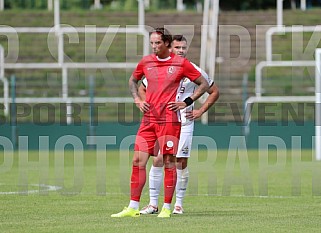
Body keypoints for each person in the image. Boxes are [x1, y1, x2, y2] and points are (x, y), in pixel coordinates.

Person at [111, 28, 210, 218]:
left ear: (166, 43)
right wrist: (138, 100)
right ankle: (133, 207)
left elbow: (204, 84)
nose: (154, 47)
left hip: (169, 120)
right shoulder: (146, 62)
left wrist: (187, 102)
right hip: (148, 120)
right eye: (152, 43)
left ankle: (166, 207)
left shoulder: (181, 64)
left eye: (157, 43)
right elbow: (133, 80)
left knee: (168, 162)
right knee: (137, 161)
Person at [139, 35, 219, 215]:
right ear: (170, 49)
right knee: (159, 158)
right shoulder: (162, 68)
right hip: (163, 120)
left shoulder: (194, 70)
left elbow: (214, 91)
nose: (181, 51)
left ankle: (179, 204)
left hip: (184, 121)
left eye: (184, 48)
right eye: (177, 48)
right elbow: (142, 86)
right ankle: (153, 204)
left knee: (180, 162)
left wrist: (199, 111)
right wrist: (145, 103)